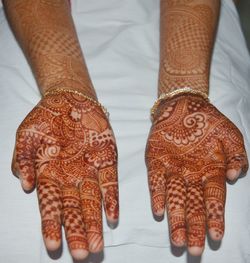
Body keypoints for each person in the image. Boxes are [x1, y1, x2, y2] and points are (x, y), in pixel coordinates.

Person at [2, 0, 248, 261]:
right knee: (15, 225)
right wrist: (65, 88)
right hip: (39, 26)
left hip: (194, 26)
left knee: (234, 229)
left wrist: (184, 91)